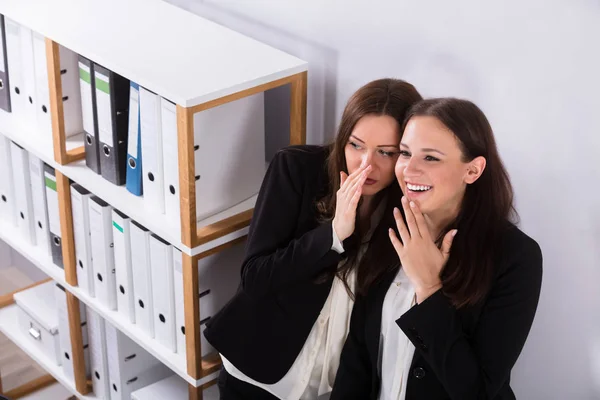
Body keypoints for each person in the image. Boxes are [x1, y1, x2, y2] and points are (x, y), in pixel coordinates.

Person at [204, 78, 423, 399]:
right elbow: (255, 277)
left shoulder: (405, 209)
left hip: (329, 384)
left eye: (386, 153)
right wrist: (334, 233)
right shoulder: (296, 169)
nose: (367, 164)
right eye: (355, 145)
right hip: (259, 372)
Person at [330, 98, 543, 400]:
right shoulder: (390, 228)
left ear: (473, 171)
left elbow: (477, 391)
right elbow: (357, 359)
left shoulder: (516, 257)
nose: (409, 169)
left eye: (430, 158)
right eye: (405, 153)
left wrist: (429, 288)